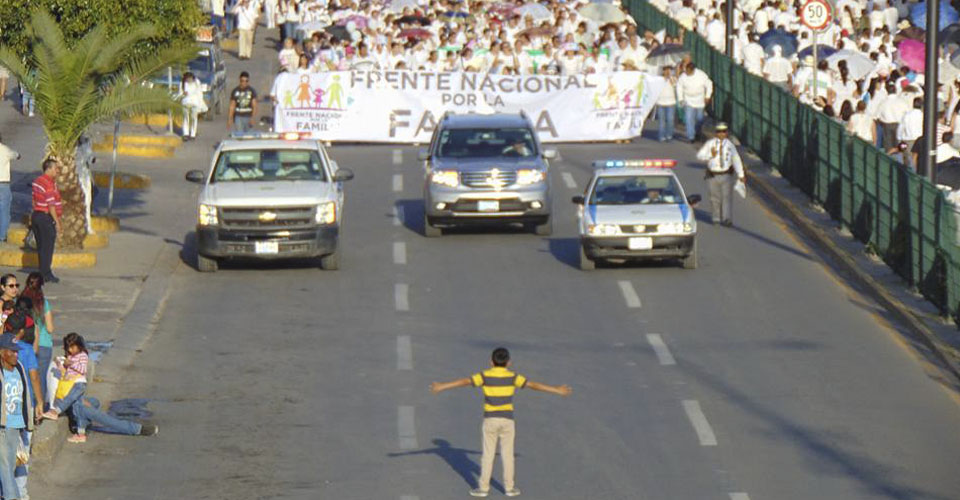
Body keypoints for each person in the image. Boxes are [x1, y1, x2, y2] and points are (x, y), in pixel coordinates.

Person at [430, 347, 572, 498]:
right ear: (509, 363)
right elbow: (533, 385)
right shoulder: (513, 377)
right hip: (507, 421)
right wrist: (557, 390)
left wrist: (442, 386)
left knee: (487, 455)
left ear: (491, 362)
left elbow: (466, 381)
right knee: (508, 455)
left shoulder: (484, 375)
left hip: (490, 420)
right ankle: (510, 489)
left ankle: (483, 489)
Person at [0, 332, 33, 500]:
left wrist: (29, 423)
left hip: (16, 425)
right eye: (12, 351)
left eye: (17, 351)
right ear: (2, 352)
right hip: (2, 428)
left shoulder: (19, 367)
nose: (16, 354)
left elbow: (25, 395)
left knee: (9, 467)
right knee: (5, 468)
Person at [696, 122, 745, 226]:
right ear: (716, 133)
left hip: (726, 174)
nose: (721, 134)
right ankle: (716, 217)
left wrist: (741, 174)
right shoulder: (710, 144)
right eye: (719, 131)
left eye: (724, 131)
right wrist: (710, 155)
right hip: (713, 175)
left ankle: (727, 218)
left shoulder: (730, 145)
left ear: (726, 133)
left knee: (726, 197)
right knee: (715, 197)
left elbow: (736, 159)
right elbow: (700, 156)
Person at [19, 273, 53, 406]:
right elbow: (50, 328)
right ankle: (39, 409)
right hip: (44, 345)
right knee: (41, 378)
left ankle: (28, 407)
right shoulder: (44, 303)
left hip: (25, 343)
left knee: (27, 377)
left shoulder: (21, 301)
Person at [68, 396, 159, 443]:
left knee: (94, 401)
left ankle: (83, 424)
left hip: (74, 400)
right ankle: (137, 429)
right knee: (102, 417)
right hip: (70, 404)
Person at [42, 332, 88, 421]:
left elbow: (83, 370)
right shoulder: (71, 356)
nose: (70, 350)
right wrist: (60, 364)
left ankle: (55, 412)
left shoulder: (82, 355)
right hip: (69, 383)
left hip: (78, 383)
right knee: (76, 405)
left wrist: (71, 364)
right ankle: (79, 428)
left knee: (68, 399)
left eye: (72, 347)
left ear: (79, 345)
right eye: (69, 348)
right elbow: (65, 370)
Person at [30, 159, 62, 284]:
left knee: (41, 247)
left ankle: (42, 271)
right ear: (48, 169)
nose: (57, 171)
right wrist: (57, 222)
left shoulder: (37, 181)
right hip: (45, 217)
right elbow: (51, 205)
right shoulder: (48, 183)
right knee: (47, 247)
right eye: (55, 168)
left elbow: (34, 200)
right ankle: (46, 274)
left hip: (37, 215)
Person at [677, 62, 713, 142]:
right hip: (688, 100)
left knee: (699, 119)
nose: (687, 72)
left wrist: (707, 96)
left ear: (693, 70)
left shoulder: (701, 75)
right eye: (686, 70)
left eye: (689, 71)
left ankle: (697, 132)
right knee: (688, 118)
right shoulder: (683, 77)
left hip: (700, 100)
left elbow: (709, 84)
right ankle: (691, 136)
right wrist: (680, 98)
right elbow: (679, 87)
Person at [0, 135, 20, 242]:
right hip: (3, 184)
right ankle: (2, 236)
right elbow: (16, 155)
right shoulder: (5, 149)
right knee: (4, 211)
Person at [896, 97, 923, 171]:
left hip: (907, 140)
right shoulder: (923, 115)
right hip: (920, 140)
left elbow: (901, 128)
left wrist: (899, 139)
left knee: (907, 161)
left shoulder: (907, 115)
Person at [180, 72, 206, 141]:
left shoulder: (197, 82)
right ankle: (185, 133)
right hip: (185, 102)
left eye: (190, 79)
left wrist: (200, 104)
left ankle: (192, 134)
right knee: (186, 118)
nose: (189, 80)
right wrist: (183, 93)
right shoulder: (182, 83)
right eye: (187, 79)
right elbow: (180, 93)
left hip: (195, 103)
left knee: (194, 118)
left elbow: (199, 93)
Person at [656, 65, 678, 142]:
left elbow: (675, 86)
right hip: (660, 102)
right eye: (665, 70)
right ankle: (661, 136)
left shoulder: (673, 78)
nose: (667, 71)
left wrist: (670, 78)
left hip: (671, 102)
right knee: (661, 121)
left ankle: (669, 135)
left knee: (670, 120)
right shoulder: (658, 79)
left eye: (669, 70)